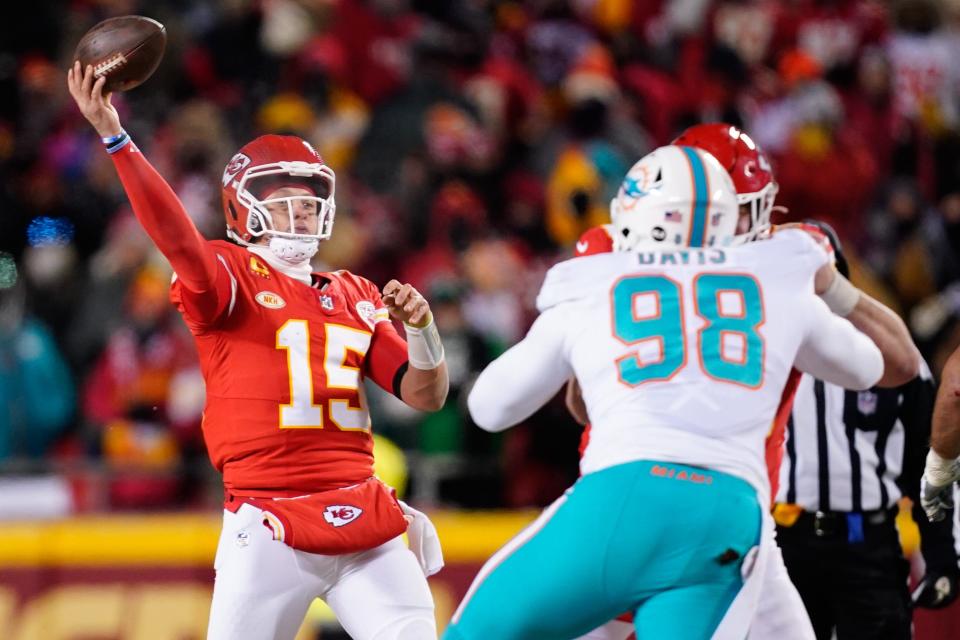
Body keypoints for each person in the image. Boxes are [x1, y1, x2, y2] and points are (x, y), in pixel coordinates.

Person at [68, 63, 448, 640]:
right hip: (270, 518)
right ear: (242, 207)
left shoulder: (355, 291)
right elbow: (176, 239)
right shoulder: (230, 272)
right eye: (285, 199)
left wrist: (423, 329)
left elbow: (426, 394)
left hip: (363, 515)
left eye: (309, 199)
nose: (301, 211)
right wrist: (116, 138)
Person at [444, 143, 884, 640]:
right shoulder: (778, 282)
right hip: (730, 514)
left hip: (625, 495)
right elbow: (866, 366)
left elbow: (489, 409)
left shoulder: (593, 286)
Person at [569, 123, 920, 640]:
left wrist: (833, 288)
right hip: (638, 510)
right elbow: (582, 405)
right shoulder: (620, 255)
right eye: (742, 208)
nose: (756, 224)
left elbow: (902, 365)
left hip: (732, 528)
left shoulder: (781, 264)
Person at [775, 222, 958, 640]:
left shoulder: (889, 353)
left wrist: (942, 553)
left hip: (868, 542)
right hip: (782, 543)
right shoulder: (756, 348)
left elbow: (929, 458)